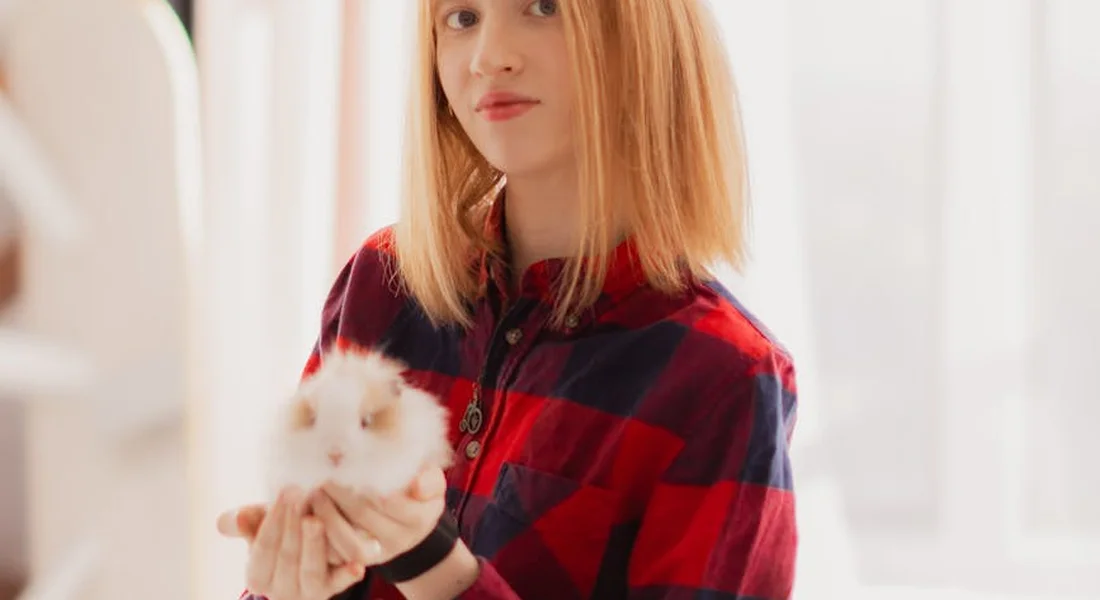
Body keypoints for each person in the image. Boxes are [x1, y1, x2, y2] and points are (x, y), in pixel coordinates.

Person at [217, 0, 800, 598]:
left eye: (544, 7)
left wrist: (433, 565)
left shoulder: (724, 378)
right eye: (462, 17)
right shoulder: (381, 281)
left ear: (643, 40)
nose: (488, 58)